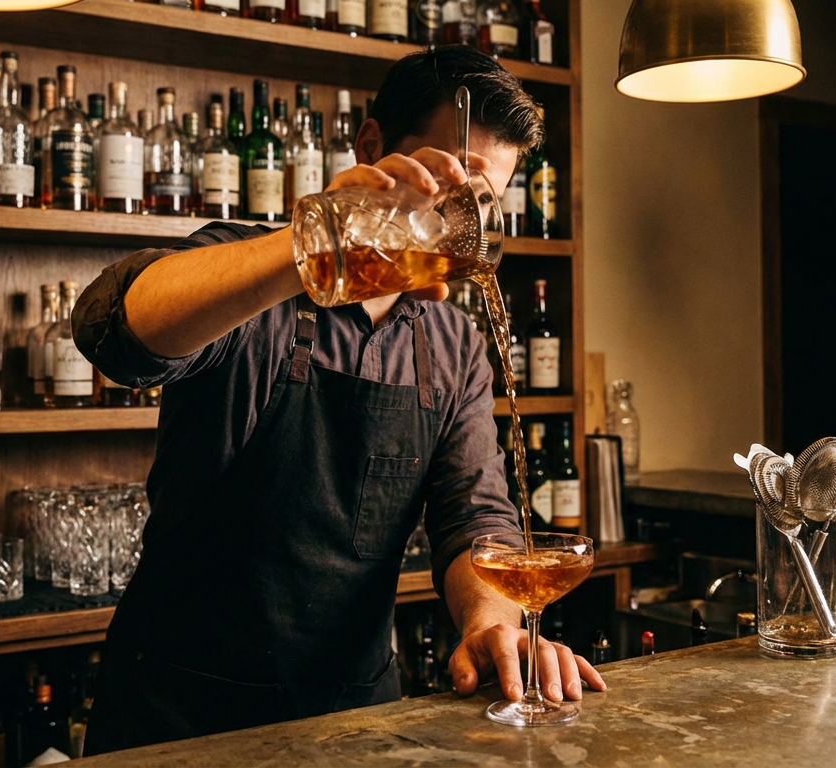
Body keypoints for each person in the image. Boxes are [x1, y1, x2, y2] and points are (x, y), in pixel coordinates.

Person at [75, 45, 605, 754]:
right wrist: (317, 240)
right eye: (448, 182)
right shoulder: (251, 275)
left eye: (485, 200)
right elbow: (112, 332)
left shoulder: (451, 341)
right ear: (372, 147)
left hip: (355, 716)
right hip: (181, 715)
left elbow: (475, 515)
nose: (465, 220)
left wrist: (492, 624)